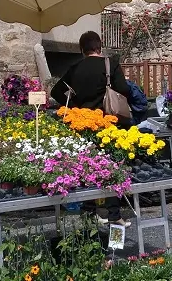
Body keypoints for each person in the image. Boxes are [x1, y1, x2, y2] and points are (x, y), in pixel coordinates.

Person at [51, 31, 131, 227]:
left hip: (84, 123)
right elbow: (124, 89)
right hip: (107, 122)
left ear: (82, 49)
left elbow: (55, 92)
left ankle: (91, 212)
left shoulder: (75, 67)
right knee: (112, 167)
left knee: (87, 166)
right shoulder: (110, 64)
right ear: (99, 47)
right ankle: (113, 214)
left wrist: (74, 105)